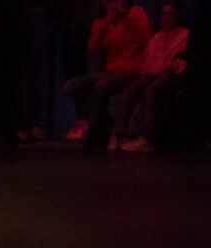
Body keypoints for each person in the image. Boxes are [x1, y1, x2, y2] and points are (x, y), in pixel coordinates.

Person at [63, 0, 151, 141]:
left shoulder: (136, 13)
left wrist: (125, 18)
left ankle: (94, 131)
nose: (112, 5)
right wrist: (106, 23)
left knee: (102, 85)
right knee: (70, 86)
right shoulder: (100, 22)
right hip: (111, 72)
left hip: (132, 71)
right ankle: (103, 120)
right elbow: (93, 47)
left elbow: (145, 39)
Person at [112, 1, 189, 149]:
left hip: (170, 74)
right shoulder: (157, 38)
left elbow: (178, 62)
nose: (167, 18)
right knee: (130, 91)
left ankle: (146, 137)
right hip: (152, 73)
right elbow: (147, 60)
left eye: (171, 14)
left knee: (151, 91)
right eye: (164, 14)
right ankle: (118, 134)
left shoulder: (184, 35)